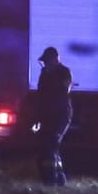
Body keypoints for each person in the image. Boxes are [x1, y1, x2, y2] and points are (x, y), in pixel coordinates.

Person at [33, 46, 73, 186]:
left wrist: (51, 76)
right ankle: (59, 178)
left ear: (55, 59)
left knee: (52, 143)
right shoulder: (44, 74)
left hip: (61, 114)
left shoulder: (64, 72)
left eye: (47, 61)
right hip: (47, 115)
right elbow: (40, 94)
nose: (45, 64)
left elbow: (63, 89)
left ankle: (51, 179)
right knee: (49, 146)